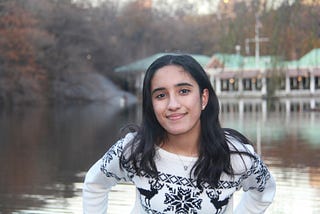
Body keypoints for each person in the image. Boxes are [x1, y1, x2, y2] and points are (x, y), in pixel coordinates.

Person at [83, 54, 276, 213]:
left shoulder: (235, 156)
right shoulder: (135, 150)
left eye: (183, 91)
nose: (173, 105)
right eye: (161, 95)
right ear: (151, 104)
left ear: (203, 98)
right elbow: (95, 184)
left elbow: (263, 191)